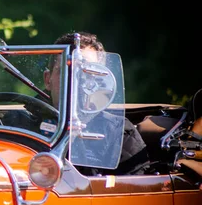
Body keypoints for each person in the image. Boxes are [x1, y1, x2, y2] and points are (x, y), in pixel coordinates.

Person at [44, 31, 151, 176]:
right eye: (65, 71)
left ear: (99, 80)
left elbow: (132, 190)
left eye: (87, 72)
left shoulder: (118, 133)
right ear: (47, 80)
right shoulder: (20, 123)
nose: (76, 80)